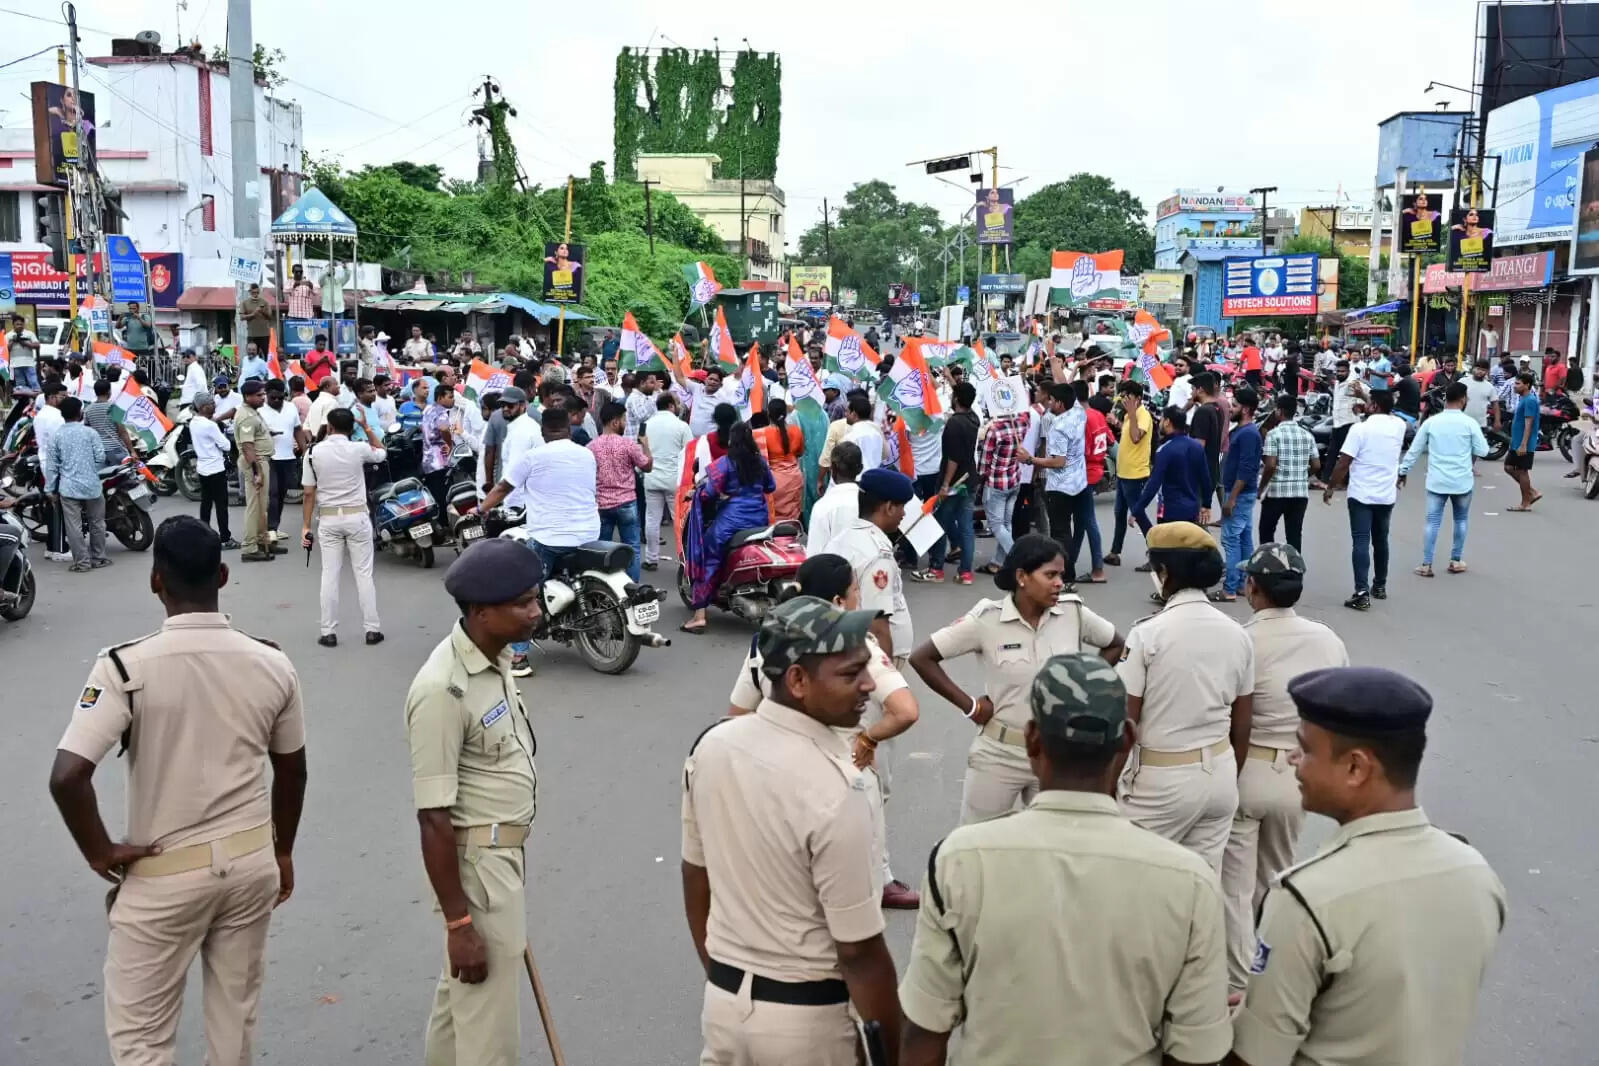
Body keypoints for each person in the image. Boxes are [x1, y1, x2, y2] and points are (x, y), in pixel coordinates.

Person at [48, 515, 307, 1065]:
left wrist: (102, 851)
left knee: (142, 1038)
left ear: (155, 580)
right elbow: (292, 770)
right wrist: (281, 851)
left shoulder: (123, 667)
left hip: (164, 873)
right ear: (223, 575)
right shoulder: (272, 662)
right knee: (234, 1024)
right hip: (249, 862)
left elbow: (68, 775)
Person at [899, 654, 1231, 1066]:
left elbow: (925, 1032)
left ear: (1032, 738)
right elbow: (1195, 1053)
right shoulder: (1190, 881)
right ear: (1127, 739)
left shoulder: (959, 861)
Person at [1231, 668, 1507, 1066]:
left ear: (1357, 768)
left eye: (1305, 749)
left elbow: (1254, 1059)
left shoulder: (1308, 901)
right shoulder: (1476, 874)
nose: (1294, 760)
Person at [682, 597, 903, 1066]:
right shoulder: (840, 785)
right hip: (808, 1027)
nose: (868, 685)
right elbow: (861, 951)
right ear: (798, 681)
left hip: (723, 1007)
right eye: (850, 674)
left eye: (866, 668)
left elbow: (694, 876)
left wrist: (726, 975)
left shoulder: (713, 746)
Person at [405, 539, 543, 1066]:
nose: (536, 611)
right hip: (478, 869)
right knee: (491, 1033)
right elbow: (433, 817)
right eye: (523, 603)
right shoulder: (443, 689)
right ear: (482, 613)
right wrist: (460, 925)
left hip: (501, 857)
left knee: (460, 1004)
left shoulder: (496, 658)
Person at [727, 554, 923, 909]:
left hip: (781, 779)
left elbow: (737, 716)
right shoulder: (856, 649)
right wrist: (867, 738)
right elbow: (906, 711)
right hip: (845, 776)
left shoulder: (765, 643)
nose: (859, 599)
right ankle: (877, 884)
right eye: (854, 591)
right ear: (837, 602)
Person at [910, 533, 1124, 825]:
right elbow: (922, 658)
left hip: (1056, 754)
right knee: (978, 842)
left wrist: (1083, 684)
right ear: (1022, 576)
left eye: (1061, 575)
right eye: (1050, 575)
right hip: (999, 754)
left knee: (1055, 843)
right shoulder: (986, 620)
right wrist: (971, 706)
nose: (1059, 583)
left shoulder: (1073, 612)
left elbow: (1115, 643)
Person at [1221, 544, 1349, 1000]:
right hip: (1298, 773)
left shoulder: (1241, 639)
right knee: (1276, 882)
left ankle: (1236, 983)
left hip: (1246, 769)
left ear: (1253, 588)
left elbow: (1226, 710)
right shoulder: (1328, 640)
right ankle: (1267, 977)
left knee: (1234, 889)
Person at [1116, 522, 1252, 871]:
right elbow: (1243, 720)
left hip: (1162, 782)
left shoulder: (1148, 634)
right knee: (1201, 889)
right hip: (1219, 776)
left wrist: (1106, 789)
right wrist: (1226, 775)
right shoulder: (1237, 634)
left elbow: (1125, 721)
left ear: (1164, 572)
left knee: (1134, 885)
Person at [678, 422, 775, 635]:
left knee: (707, 557)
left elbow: (709, 493)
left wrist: (696, 494)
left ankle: (699, 617)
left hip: (732, 520)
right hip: (759, 519)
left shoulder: (726, 463)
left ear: (731, 441)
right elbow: (771, 486)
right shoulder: (760, 462)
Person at [302, 406, 386, 647]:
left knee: (329, 574)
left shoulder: (313, 453)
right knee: (364, 574)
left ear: (329, 427)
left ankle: (328, 631)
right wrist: (368, 428)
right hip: (357, 516)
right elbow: (381, 452)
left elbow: (309, 493)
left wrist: (306, 526)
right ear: (352, 428)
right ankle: (372, 629)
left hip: (328, 518)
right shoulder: (358, 449)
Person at [1323, 387, 1405, 610]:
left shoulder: (1360, 429)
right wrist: (1370, 400)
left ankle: (1361, 592)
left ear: (1374, 406)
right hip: (1386, 495)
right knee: (1381, 540)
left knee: (1360, 541)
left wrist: (1330, 486)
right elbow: (1385, 411)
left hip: (1361, 494)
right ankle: (1379, 586)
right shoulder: (1399, 426)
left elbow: (1343, 462)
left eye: (1370, 404)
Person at [1400, 381, 1490, 577]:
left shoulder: (1432, 422)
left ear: (1445, 399)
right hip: (1462, 482)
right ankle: (1456, 560)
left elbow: (1414, 450)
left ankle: (1426, 564)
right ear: (1463, 399)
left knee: (1432, 522)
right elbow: (1483, 450)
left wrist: (1403, 470)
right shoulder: (1470, 423)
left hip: (1437, 481)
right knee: (1461, 519)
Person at [831, 468, 915, 667]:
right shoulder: (877, 554)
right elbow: (877, 624)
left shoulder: (843, 537)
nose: (903, 514)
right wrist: (885, 678)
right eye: (901, 507)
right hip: (874, 655)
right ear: (888, 507)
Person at [1020, 383, 1092, 593]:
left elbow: (1058, 462)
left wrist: (1030, 459)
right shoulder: (1079, 413)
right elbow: (1068, 386)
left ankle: (1066, 576)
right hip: (1079, 483)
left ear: (1060, 404)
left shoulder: (1058, 427)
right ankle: (1066, 573)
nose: (1048, 403)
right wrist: (1052, 358)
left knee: (1060, 533)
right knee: (1068, 531)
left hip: (1060, 487)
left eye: (1051, 400)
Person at [1131, 407, 1213, 550]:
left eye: (1162, 419)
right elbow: (1206, 478)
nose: (1161, 423)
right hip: (1191, 511)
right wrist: (1206, 504)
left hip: (1170, 512)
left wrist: (1138, 509)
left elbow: (1154, 484)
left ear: (1168, 422)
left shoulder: (1165, 450)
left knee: (1170, 554)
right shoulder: (1196, 447)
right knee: (1188, 551)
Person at [590, 399, 653, 582]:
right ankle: (632, 588)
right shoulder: (628, 445)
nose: (626, 424)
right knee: (631, 547)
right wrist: (646, 445)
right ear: (615, 422)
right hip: (627, 503)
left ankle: (602, 586)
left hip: (602, 504)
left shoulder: (592, 447)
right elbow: (647, 466)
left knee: (601, 549)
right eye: (624, 420)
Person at [924, 382, 981, 584]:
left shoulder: (955, 423)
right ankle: (966, 572)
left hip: (955, 483)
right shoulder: (973, 419)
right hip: (970, 479)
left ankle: (936, 568)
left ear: (955, 398)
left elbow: (953, 459)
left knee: (939, 523)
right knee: (966, 527)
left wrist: (946, 485)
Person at [46, 396, 110, 572]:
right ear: (80, 413)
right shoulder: (90, 433)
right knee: (97, 522)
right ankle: (98, 558)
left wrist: (49, 489)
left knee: (73, 526)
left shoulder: (56, 436)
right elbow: (101, 458)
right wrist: (89, 469)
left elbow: (51, 467)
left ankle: (82, 563)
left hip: (69, 487)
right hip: (92, 486)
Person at [1216, 386, 1263, 602]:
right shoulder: (1245, 431)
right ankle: (1244, 583)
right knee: (1243, 538)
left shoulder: (1248, 434)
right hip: (1243, 493)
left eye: (1234, 406)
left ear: (1245, 409)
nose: (1231, 409)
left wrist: (1232, 498)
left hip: (1240, 494)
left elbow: (1246, 469)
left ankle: (1230, 588)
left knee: (1231, 539)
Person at [1257, 393, 1316, 551]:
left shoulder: (1273, 434)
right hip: (1299, 493)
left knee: (1267, 531)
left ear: (1279, 411)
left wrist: (1261, 488)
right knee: (1294, 534)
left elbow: (1270, 466)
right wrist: (1302, 475)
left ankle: (1268, 567)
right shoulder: (1307, 435)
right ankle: (1294, 572)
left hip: (1276, 492)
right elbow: (1316, 465)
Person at [1104, 381, 1152, 569]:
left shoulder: (1143, 415)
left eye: (1128, 397)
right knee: (1119, 513)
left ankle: (1155, 553)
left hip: (1135, 472)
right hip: (1124, 471)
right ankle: (1115, 552)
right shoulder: (1130, 415)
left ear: (1137, 398)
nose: (1124, 400)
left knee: (1138, 514)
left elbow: (1135, 437)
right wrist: (1117, 422)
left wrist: (1131, 414)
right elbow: (1127, 434)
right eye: (1123, 396)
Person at [975, 404, 1027, 573]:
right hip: (1014, 479)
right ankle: (998, 562)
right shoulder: (1022, 423)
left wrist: (980, 478)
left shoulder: (995, 430)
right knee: (1006, 524)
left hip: (996, 483)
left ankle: (1018, 560)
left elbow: (983, 464)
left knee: (997, 526)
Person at [642, 392, 691, 571]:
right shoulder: (682, 426)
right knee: (679, 521)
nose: (679, 406)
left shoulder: (645, 425)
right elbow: (690, 452)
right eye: (677, 403)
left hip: (651, 476)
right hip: (674, 479)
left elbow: (640, 450)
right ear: (671, 405)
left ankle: (651, 559)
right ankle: (684, 559)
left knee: (652, 519)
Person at [233, 380, 277, 562]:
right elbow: (247, 447)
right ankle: (250, 547)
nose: (263, 398)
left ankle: (261, 540)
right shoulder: (247, 416)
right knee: (254, 506)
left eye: (263, 394)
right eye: (259, 395)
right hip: (255, 462)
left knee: (261, 506)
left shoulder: (252, 412)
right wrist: (257, 472)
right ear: (247, 396)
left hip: (260, 461)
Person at [1073, 379, 1111, 583]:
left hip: (1085, 472)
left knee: (1088, 521)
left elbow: (1081, 449)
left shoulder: (1082, 418)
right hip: (1096, 470)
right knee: (1080, 521)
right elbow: (1109, 440)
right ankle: (1069, 562)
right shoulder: (1097, 414)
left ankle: (1098, 569)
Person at [188, 396, 237, 548]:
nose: (214, 405)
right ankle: (225, 538)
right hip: (216, 468)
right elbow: (226, 446)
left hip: (203, 468)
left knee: (206, 504)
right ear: (202, 407)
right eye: (211, 404)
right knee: (221, 506)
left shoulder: (193, 423)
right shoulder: (210, 426)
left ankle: (204, 535)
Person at [260, 380, 306, 542]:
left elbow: (297, 430)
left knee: (280, 494)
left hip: (288, 457)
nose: (277, 401)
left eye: (280, 398)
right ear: (266, 395)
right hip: (268, 457)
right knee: (271, 493)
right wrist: (266, 435)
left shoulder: (291, 407)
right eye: (273, 398)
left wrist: (305, 451)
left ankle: (275, 527)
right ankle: (269, 529)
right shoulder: (259, 409)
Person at [807, 440, 863, 554]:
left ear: (832, 468)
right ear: (860, 469)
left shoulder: (823, 506)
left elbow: (815, 553)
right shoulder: (871, 502)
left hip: (833, 569)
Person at [757, 397, 806, 523]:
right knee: (792, 518)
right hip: (795, 479)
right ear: (785, 413)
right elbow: (800, 453)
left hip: (774, 482)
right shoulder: (796, 430)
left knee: (774, 520)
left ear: (768, 413)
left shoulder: (759, 434)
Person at [1322, 359, 1369, 483]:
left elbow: (1367, 395)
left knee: (1348, 455)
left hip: (1349, 424)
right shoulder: (1338, 383)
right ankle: (1325, 481)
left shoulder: (1353, 383)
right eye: (1338, 371)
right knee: (1332, 453)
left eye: (1342, 371)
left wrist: (1359, 405)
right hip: (1337, 424)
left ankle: (1347, 481)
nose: (1340, 373)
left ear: (1348, 371)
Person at [1506, 371, 1542, 511]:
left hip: (1524, 443)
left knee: (1522, 471)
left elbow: (1529, 424)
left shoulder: (1530, 401)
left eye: (1517, 384)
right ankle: (1531, 492)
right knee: (1509, 467)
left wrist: (1523, 444)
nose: (1514, 386)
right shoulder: (1523, 398)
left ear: (1527, 385)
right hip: (1517, 441)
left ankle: (1526, 501)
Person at [420, 383, 458, 513]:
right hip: (439, 460)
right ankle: (445, 523)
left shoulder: (428, 409)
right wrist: (449, 444)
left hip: (427, 459)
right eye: (450, 397)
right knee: (443, 495)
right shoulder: (442, 412)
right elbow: (443, 428)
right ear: (440, 398)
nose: (453, 399)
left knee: (434, 494)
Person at [85, 377, 135, 464]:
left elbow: (88, 432)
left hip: (97, 452)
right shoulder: (114, 408)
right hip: (116, 450)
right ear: (109, 391)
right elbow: (122, 432)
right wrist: (132, 451)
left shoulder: (88, 410)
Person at [842, 394, 885, 471]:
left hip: (857, 479)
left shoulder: (850, 437)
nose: (845, 414)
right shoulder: (877, 434)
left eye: (847, 411)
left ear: (854, 415)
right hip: (875, 477)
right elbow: (884, 455)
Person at [7, 312, 41, 391]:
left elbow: (37, 345)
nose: (19, 326)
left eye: (21, 324)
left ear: (23, 324)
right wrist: (13, 341)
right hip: (16, 364)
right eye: (17, 324)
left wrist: (25, 343)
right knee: (20, 386)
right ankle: (25, 401)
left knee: (34, 383)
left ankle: (37, 400)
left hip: (28, 363)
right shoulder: (8, 335)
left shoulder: (29, 333)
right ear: (13, 325)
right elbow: (5, 350)